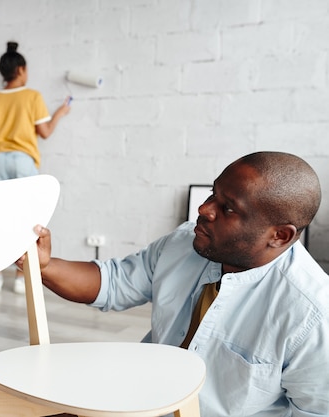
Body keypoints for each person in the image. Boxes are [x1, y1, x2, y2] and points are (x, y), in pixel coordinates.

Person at [21, 151, 329, 417]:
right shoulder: (186, 241)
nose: (204, 210)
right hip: (139, 401)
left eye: (228, 209)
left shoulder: (313, 315)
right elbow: (114, 282)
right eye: (213, 194)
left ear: (280, 236)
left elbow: (314, 411)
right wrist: (44, 265)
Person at [0, 41, 70, 294]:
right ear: (21, 69)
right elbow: (45, 132)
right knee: (26, 219)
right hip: (23, 160)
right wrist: (60, 113)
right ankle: (21, 277)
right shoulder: (32, 96)